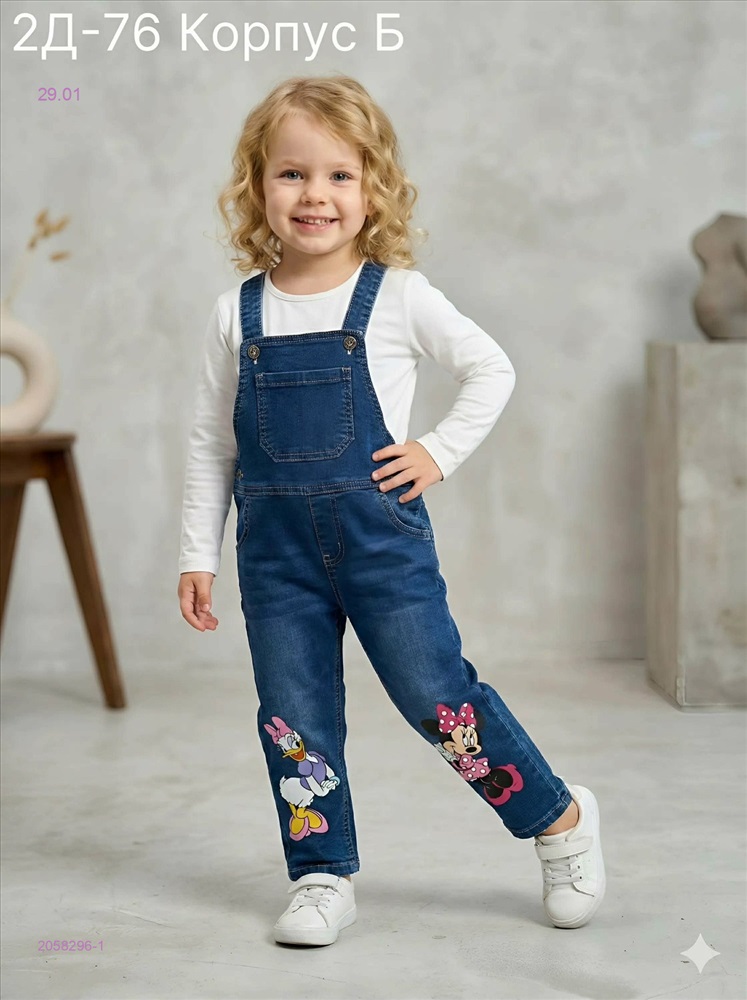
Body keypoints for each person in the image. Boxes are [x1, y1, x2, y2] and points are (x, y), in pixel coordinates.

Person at [177, 74, 606, 948]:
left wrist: (435, 451)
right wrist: (197, 552)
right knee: (293, 718)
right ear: (256, 186)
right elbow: (210, 442)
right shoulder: (237, 312)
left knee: (437, 698)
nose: (315, 195)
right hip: (275, 558)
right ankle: (321, 875)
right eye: (292, 173)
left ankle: (558, 820)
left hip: (381, 545)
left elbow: (490, 369)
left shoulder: (398, 295)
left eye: (339, 175)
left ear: (373, 190)